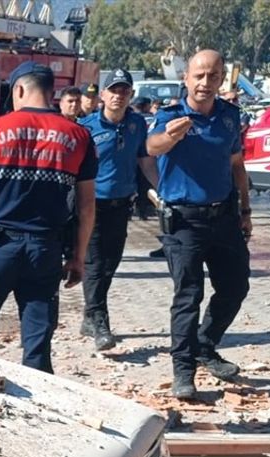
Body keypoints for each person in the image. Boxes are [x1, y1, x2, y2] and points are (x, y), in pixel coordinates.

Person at [0, 62, 96, 374]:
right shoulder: (79, 136)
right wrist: (78, 257)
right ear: (52, 93)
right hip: (45, 252)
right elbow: (86, 206)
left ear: (19, 90)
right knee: (37, 345)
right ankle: (39, 415)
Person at [146, 49, 252, 399]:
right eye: (199, 76)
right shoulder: (170, 116)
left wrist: (246, 210)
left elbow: (237, 164)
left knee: (236, 287)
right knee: (188, 295)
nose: (206, 82)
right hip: (183, 221)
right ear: (186, 79)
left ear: (222, 79)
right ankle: (183, 371)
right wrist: (172, 136)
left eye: (213, 75)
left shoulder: (229, 117)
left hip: (224, 216)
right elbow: (153, 147)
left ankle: (205, 345)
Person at [77, 69, 157, 351]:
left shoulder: (136, 124)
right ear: (102, 94)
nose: (118, 96)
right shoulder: (86, 127)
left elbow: (145, 162)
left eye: (124, 91)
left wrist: (162, 189)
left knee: (110, 263)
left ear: (131, 95)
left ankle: (90, 315)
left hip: (122, 206)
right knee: (95, 264)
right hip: (92, 206)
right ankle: (100, 322)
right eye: (113, 90)